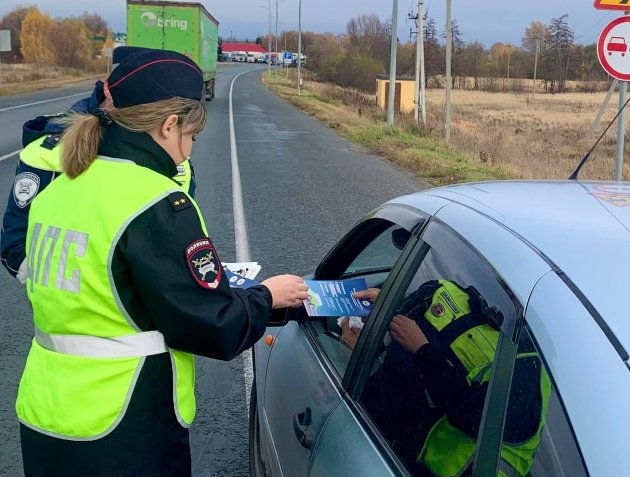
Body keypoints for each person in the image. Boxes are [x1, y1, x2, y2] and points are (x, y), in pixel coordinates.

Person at [15, 48, 308, 476]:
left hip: (46, 413)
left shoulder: (61, 189)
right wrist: (268, 296)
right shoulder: (155, 202)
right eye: (190, 136)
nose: (187, 154)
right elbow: (211, 325)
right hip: (125, 425)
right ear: (169, 124)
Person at [1, 47, 197, 282]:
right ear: (107, 86)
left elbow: (181, 237)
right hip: (71, 307)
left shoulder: (173, 153)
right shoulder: (48, 152)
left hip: (155, 305)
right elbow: (15, 245)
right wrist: (68, 292)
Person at [342, 280, 551, 477]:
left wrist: (422, 350)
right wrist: (389, 306)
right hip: (405, 451)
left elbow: (475, 414)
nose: (506, 289)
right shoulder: (447, 293)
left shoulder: (527, 365)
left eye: (515, 288)